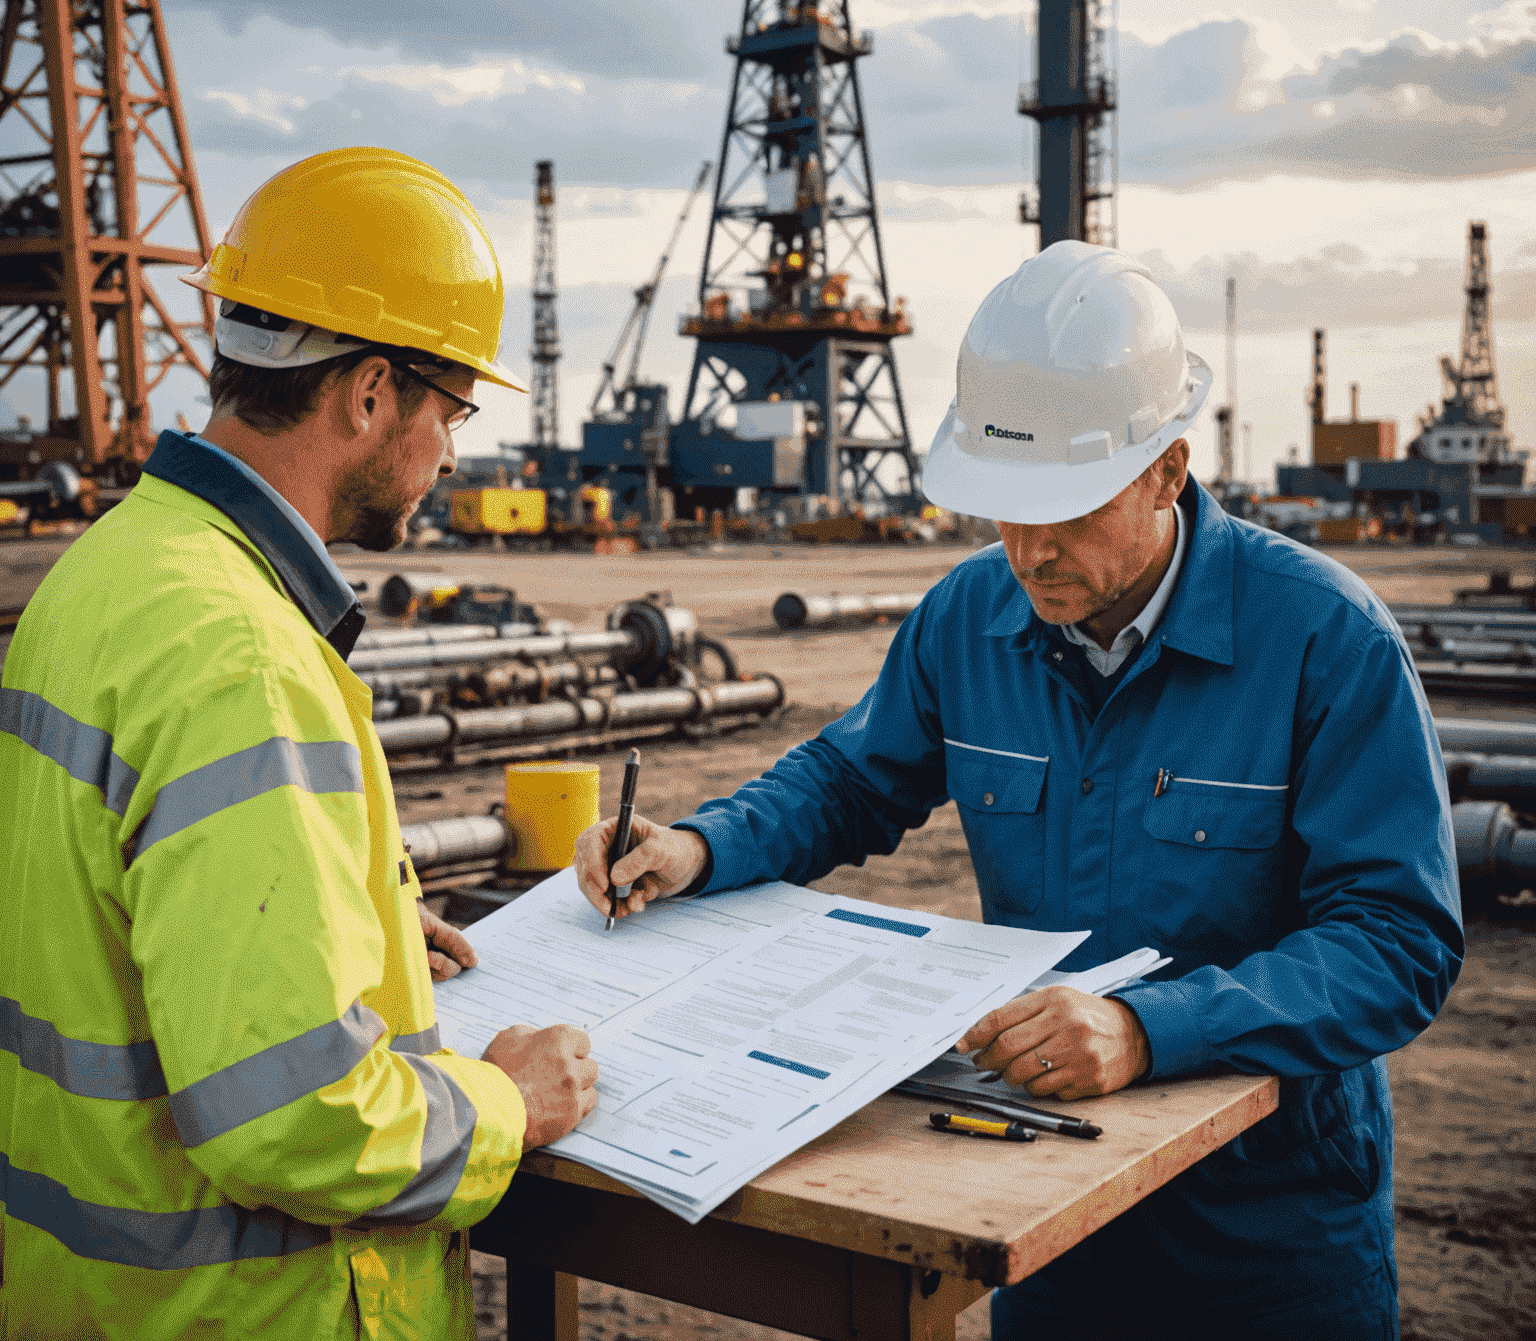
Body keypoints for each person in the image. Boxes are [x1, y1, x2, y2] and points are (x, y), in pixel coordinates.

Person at [574, 241, 1462, 1340]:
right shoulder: (971, 616)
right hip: (1049, 1210)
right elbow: (853, 779)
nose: (1032, 550)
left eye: (1070, 509)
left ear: (1167, 471)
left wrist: (1148, 1029)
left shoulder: (1325, 641)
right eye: (1004, 507)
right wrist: (703, 846)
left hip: (1269, 1237)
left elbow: (1397, 941)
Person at [1, 148, 597, 1338]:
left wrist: (357, 923)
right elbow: (299, 1121)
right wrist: (509, 1105)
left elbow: (105, 913)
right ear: (370, 392)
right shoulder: (245, 656)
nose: (447, 453)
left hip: (88, 1290)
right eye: (451, 410)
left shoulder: (108, 571)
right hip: (246, 1309)